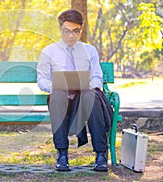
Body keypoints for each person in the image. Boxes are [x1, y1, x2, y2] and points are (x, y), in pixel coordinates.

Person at [37, 9, 113, 172]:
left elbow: (97, 77)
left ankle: (101, 155)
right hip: (61, 100)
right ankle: (62, 154)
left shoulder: (90, 50)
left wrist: (87, 85)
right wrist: (57, 86)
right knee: (57, 95)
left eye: (75, 31)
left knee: (90, 96)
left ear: (81, 29)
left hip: (85, 99)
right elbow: (42, 79)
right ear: (60, 29)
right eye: (67, 31)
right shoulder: (49, 52)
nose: (71, 35)